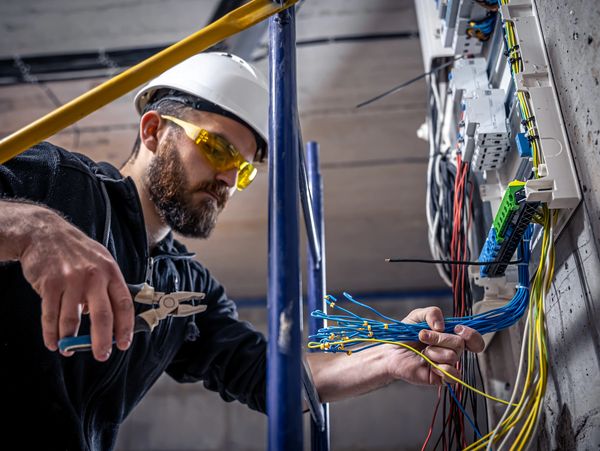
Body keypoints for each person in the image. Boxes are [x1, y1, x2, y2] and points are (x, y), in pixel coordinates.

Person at [0, 52, 484, 450]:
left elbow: (266, 375)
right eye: (216, 148)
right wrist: (30, 225)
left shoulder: (189, 289)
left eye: (245, 170)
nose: (230, 180)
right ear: (152, 131)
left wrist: (389, 357)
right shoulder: (58, 183)